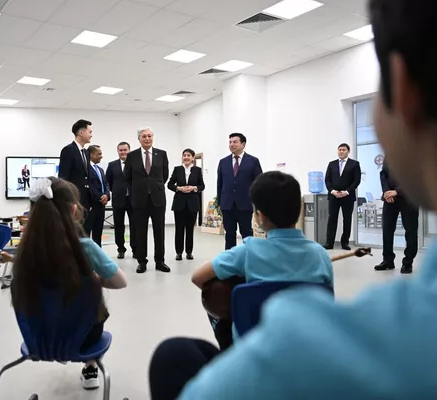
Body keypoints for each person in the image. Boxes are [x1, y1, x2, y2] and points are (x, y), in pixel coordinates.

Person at [148, 0, 437, 398]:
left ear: (401, 89)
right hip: (234, 212)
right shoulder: (318, 257)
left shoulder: (301, 350)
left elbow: (202, 279)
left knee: (174, 356)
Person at [191, 171, 333, 351]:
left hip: (254, 346)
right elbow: (327, 304)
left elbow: (198, 278)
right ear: (298, 212)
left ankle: (229, 353)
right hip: (305, 344)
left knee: (216, 294)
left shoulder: (247, 251)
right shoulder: (320, 255)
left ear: (260, 216)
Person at [11, 177, 127, 390]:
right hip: (82, 338)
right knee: (93, 309)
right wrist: (96, 280)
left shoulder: (25, 250)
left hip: (39, 338)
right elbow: (121, 282)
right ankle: (90, 366)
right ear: (73, 209)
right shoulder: (86, 247)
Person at [124, 127, 170, 274]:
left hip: (158, 199)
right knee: (140, 232)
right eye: (144, 136)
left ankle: (160, 261)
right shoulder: (132, 156)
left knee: (159, 231)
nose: (147, 138)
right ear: (139, 139)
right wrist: (139, 189)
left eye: (149, 136)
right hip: (139, 200)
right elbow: (127, 177)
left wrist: (154, 186)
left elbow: (165, 175)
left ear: (153, 137)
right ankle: (142, 262)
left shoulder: (161, 154)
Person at [216, 133, 263, 250]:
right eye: (230, 142)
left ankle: (249, 256)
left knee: (247, 233)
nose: (231, 144)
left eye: (235, 142)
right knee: (229, 234)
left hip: (245, 204)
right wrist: (220, 203)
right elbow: (220, 184)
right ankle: (230, 258)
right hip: (227, 205)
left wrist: (257, 204)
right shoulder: (223, 162)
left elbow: (259, 183)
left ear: (243, 144)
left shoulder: (253, 161)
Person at [375, 159, 419, 274]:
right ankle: (388, 260)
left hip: (409, 199)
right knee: (387, 230)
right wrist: (386, 191)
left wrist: (397, 191)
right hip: (389, 198)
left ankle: (407, 263)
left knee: (411, 231)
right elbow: (383, 173)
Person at [167, 148, 205, 261]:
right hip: (179, 203)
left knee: (190, 229)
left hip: (193, 204)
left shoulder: (197, 170)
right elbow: (170, 184)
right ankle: (179, 252)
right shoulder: (177, 169)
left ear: (193, 158)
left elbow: (202, 186)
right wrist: (179, 188)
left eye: (189, 155)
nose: (186, 157)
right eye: (184, 155)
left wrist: (194, 188)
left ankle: (189, 252)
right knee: (179, 229)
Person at [323, 143, 361, 250]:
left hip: (347, 196)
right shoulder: (332, 164)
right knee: (332, 219)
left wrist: (347, 191)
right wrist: (332, 191)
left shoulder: (354, 164)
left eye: (344, 150)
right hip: (333, 196)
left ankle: (345, 243)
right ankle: (329, 243)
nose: (341, 151)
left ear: (348, 151)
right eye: (339, 149)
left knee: (347, 219)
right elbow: (327, 180)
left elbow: (356, 180)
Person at [59, 119, 93, 233]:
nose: (91, 135)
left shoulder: (86, 153)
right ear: (81, 133)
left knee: (85, 232)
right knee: (74, 231)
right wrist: (68, 200)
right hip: (74, 200)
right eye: (90, 132)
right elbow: (63, 177)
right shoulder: (68, 150)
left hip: (86, 201)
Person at [105, 142, 135, 259]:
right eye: (120, 150)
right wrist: (116, 191)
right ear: (118, 151)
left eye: (125, 150)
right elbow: (108, 182)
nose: (123, 152)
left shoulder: (135, 164)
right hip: (118, 200)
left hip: (133, 200)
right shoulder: (112, 165)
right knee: (118, 226)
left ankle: (135, 249)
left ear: (129, 151)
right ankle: (121, 249)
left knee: (134, 226)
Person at [86, 145, 110, 247]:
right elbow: (89, 186)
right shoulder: (85, 169)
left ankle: (98, 252)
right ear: (91, 155)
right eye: (99, 154)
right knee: (86, 232)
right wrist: (101, 197)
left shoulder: (100, 169)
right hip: (91, 205)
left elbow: (106, 184)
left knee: (98, 232)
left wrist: (107, 195)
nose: (101, 156)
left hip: (101, 206)